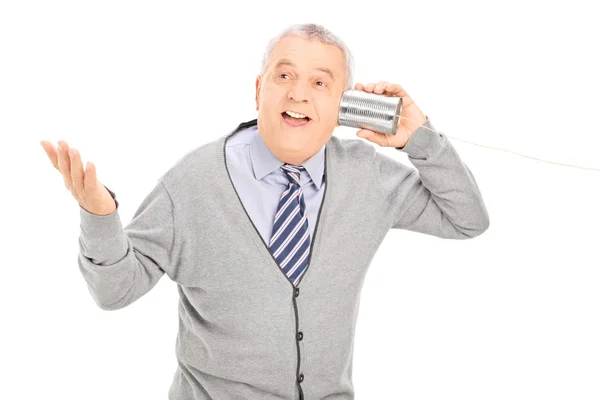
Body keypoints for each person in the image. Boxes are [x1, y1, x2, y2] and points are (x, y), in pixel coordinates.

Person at [40, 23, 489, 400]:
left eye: (320, 83)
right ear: (258, 91)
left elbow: (467, 219)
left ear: (344, 106)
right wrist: (99, 217)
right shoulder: (192, 183)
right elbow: (115, 291)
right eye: (283, 76)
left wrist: (420, 137)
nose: (298, 93)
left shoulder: (368, 178)